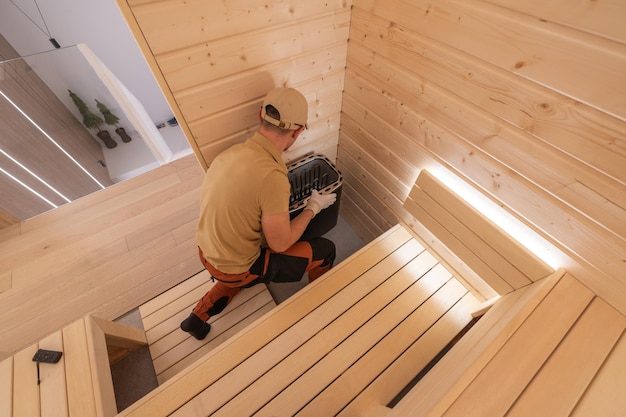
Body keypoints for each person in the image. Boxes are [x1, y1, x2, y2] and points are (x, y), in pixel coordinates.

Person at [180, 87, 338, 340]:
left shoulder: (227, 156)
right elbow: (281, 242)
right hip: (237, 267)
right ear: (297, 131)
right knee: (326, 250)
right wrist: (313, 207)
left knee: (235, 274)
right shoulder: (272, 177)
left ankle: (197, 318)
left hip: (208, 252)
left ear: (260, 115)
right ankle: (320, 306)